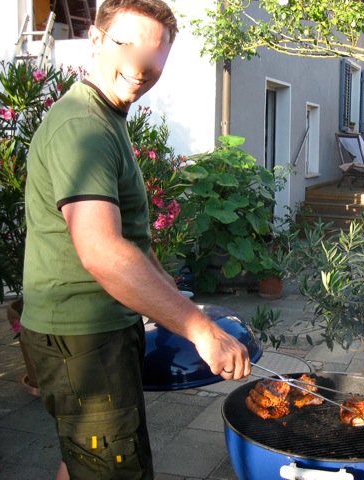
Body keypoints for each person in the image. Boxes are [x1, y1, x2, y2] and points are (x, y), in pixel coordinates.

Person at [20, 1, 251, 479]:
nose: (141, 68)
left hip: (95, 331)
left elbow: (130, 239)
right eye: (128, 46)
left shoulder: (107, 116)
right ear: (97, 40)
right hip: (84, 338)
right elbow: (101, 250)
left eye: (155, 55)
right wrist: (199, 330)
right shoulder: (82, 126)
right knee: (113, 469)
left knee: (86, 457)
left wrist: (172, 297)